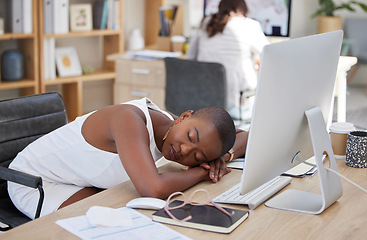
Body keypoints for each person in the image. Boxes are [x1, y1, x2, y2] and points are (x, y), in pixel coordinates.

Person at [8, 98, 248, 218]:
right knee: (113, 223)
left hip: (79, 179)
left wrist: (224, 156)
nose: (185, 150)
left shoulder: (172, 129)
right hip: (34, 182)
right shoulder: (129, 119)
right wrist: (203, 169)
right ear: (184, 116)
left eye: (198, 155)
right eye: (190, 137)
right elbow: (152, 188)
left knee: (140, 217)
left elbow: (245, 135)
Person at [186, 0, 269, 120]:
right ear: (243, 8)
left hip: (203, 103)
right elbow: (270, 54)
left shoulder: (206, 22)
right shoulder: (250, 25)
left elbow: (190, 57)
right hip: (235, 107)